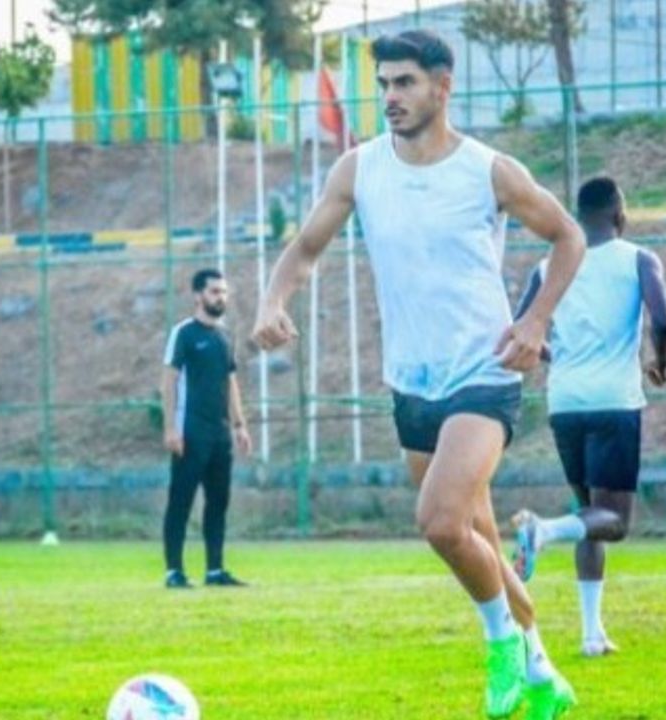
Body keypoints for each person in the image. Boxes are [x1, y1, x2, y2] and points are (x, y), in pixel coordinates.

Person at [252, 30, 585, 720]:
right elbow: (306, 247)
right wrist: (272, 300)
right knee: (478, 538)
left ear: (442, 86)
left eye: (404, 82)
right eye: (384, 85)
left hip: (484, 375)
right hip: (411, 386)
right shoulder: (359, 169)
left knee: (438, 522)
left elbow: (568, 237)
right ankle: (543, 671)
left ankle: (500, 648)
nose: (391, 97)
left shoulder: (489, 171)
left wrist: (535, 322)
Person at [510, 177, 666, 658]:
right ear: (620, 216)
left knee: (589, 517)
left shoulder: (549, 267)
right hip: (614, 402)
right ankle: (543, 530)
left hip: (565, 403)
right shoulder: (638, 259)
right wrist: (660, 363)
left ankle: (591, 634)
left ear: (578, 219)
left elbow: (521, 329)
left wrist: (558, 357)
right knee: (614, 521)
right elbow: (663, 321)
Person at [161, 268, 253, 589]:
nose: (221, 298)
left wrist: (239, 425)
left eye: (224, 292)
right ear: (198, 295)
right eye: (215, 292)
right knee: (181, 501)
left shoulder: (225, 336)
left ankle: (215, 570)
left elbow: (230, 382)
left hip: (219, 433)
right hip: (189, 432)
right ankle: (174, 571)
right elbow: (169, 381)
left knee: (218, 502)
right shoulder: (183, 333)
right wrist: (170, 428)